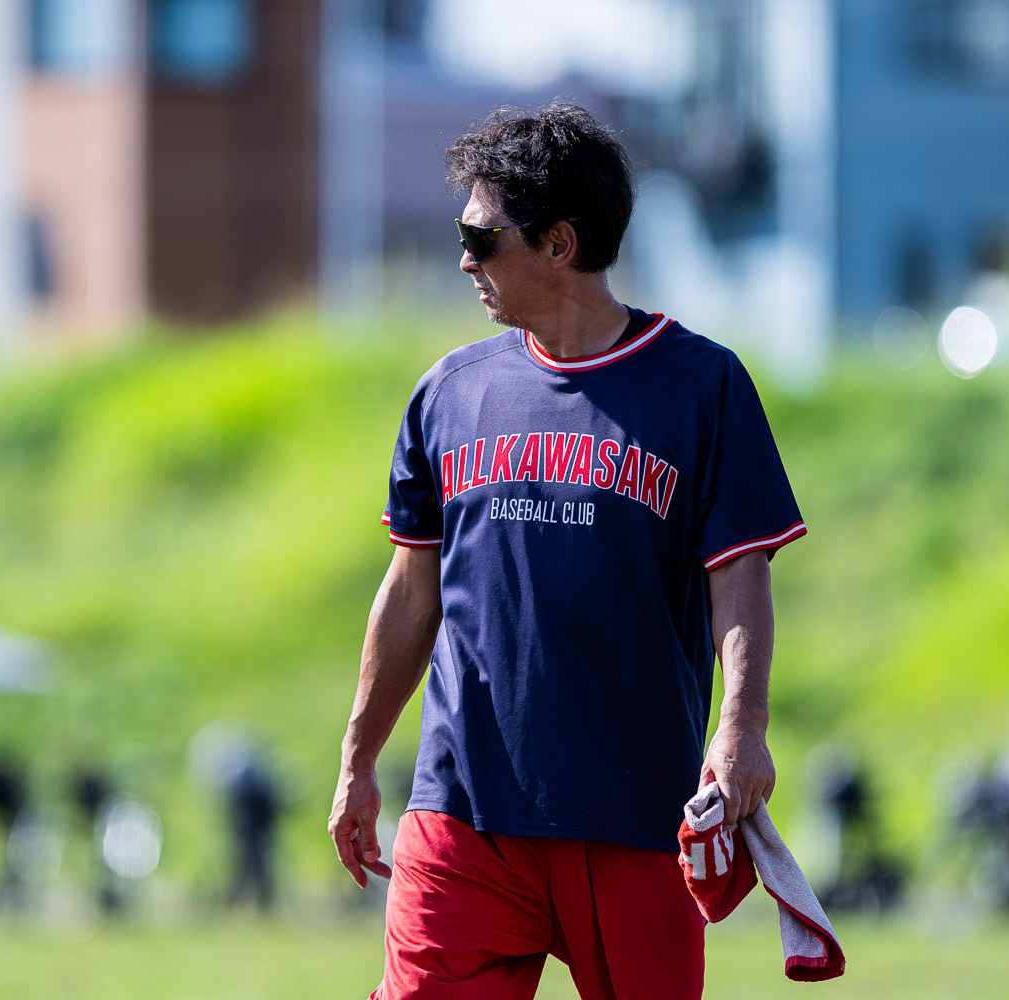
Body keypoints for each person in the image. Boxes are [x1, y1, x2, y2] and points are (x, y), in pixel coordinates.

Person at [328, 101, 806, 1000]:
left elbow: (739, 575)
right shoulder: (447, 394)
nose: (464, 259)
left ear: (559, 243)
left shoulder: (702, 386)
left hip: (634, 818)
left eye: (480, 236)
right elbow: (410, 593)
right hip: (464, 814)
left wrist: (742, 728)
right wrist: (357, 761)